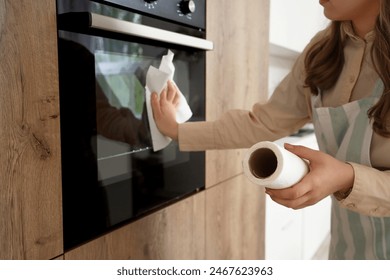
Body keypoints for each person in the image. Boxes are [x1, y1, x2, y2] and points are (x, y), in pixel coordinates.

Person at [150, 0, 390, 260]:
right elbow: (262, 123)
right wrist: (177, 130)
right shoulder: (321, 52)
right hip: (348, 248)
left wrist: (347, 178)